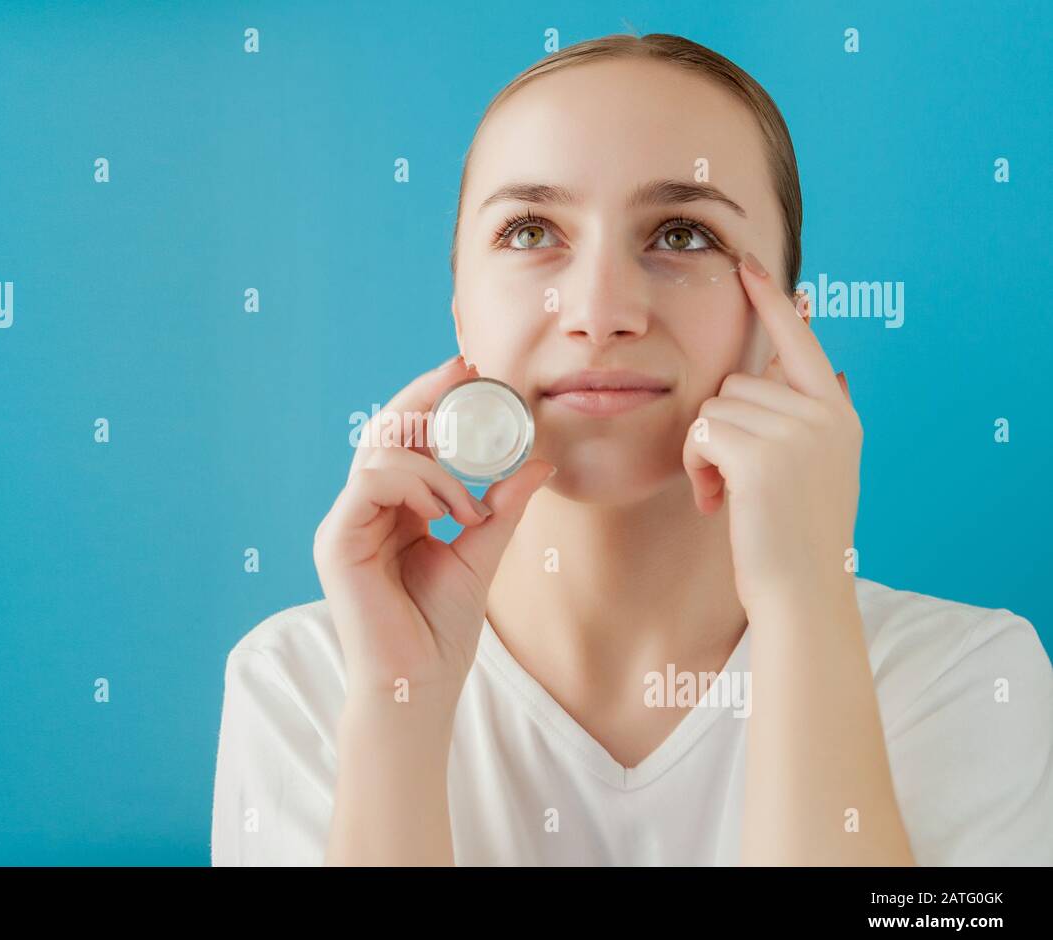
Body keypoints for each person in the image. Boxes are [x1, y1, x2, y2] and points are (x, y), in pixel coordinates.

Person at [210, 32, 1053, 866]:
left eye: (682, 235)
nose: (601, 309)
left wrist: (807, 611)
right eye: (532, 231)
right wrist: (402, 702)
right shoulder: (300, 682)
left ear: (785, 325)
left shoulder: (969, 678)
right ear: (463, 311)